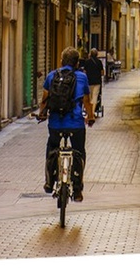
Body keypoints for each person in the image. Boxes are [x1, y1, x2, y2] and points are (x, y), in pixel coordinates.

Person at [38, 46, 95, 202]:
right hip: (76, 123)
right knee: (79, 151)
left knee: (52, 148)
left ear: (61, 61)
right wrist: (90, 117)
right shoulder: (82, 78)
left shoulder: (51, 76)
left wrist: (42, 114)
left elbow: (44, 100)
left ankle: (49, 181)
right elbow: (87, 102)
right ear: (77, 63)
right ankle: (77, 189)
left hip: (56, 124)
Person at [82, 48, 104, 112]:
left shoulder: (87, 62)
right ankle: (92, 112)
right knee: (95, 97)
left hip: (89, 82)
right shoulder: (99, 62)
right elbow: (102, 72)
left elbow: (84, 72)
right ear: (97, 54)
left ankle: (90, 112)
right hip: (97, 82)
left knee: (90, 97)